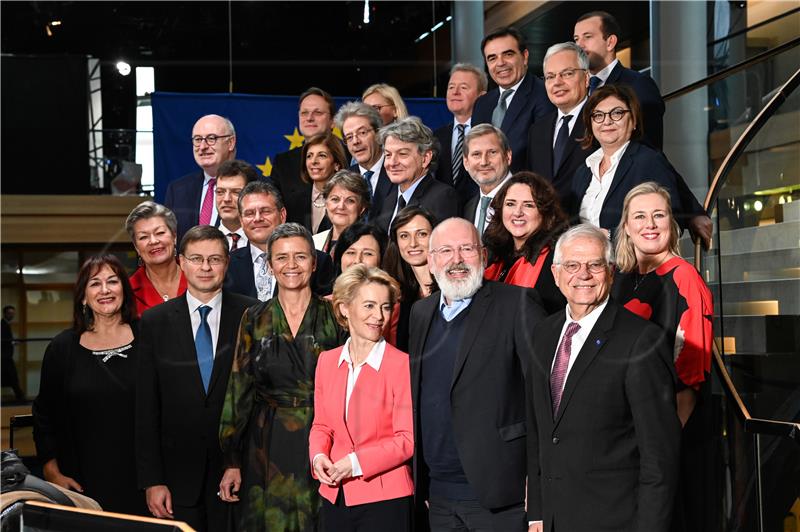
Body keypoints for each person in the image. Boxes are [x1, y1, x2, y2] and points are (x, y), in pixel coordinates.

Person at [525, 224, 680, 532]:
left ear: (610, 272)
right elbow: (539, 431)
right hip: (554, 520)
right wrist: (538, 514)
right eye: (572, 265)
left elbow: (660, 458)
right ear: (555, 274)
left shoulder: (641, 340)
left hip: (615, 521)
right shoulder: (542, 333)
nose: (582, 274)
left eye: (594, 265)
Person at [409, 217, 545, 531]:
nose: (456, 260)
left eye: (466, 249)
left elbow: (544, 398)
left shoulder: (518, 305)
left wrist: (538, 485)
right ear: (431, 262)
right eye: (445, 251)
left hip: (502, 495)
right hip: (439, 496)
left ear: (483, 256)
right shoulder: (420, 314)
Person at [218, 223, 345, 532]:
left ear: (314, 263)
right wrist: (231, 460)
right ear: (270, 265)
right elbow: (239, 388)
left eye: (300, 256)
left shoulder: (336, 316)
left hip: (323, 439)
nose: (291, 265)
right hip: (266, 442)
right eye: (282, 257)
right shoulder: (254, 318)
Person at [136, 225, 256, 532]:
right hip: (176, 480)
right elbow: (146, 407)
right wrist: (153, 479)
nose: (205, 267)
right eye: (197, 259)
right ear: (181, 261)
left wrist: (238, 461)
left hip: (238, 473)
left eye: (215, 259)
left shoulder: (252, 314)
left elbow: (256, 398)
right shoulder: (153, 322)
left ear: (227, 263)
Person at [611, 182, 714, 532]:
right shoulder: (623, 280)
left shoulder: (684, 277)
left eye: (659, 215)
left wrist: (660, 449)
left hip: (668, 442)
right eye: (640, 216)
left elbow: (691, 380)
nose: (650, 224)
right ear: (626, 225)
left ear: (671, 223)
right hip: (632, 439)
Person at [573, 10, 713, 248]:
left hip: (623, 224)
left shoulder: (638, 86)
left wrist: (690, 211)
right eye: (576, 40)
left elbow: (652, 156)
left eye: (587, 37)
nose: (579, 45)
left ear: (610, 41)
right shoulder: (577, 89)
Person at [33, 255, 146, 515]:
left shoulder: (149, 337)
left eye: (112, 281)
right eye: (95, 284)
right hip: (82, 483)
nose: (105, 290)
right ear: (83, 296)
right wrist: (51, 471)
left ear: (124, 290)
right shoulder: (62, 348)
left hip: (145, 482)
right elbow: (44, 414)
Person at [309, 265, 414, 531]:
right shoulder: (327, 361)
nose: (379, 316)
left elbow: (407, 440)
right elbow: (321, 425)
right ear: (344, 308)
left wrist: (354, 464)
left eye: (385, 307)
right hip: (334, 496)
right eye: (368, 306)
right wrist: (318, 457)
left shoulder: (402, 365)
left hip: (386, 500)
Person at [569, 84, 699, 236]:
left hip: (629, 259)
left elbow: (672, 223)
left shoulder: (649, 162)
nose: (607, 121)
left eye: (617, 113)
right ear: (590, 124)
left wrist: (611, 236)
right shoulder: (583, 171)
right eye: (598, 115)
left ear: (634, 120)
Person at [225, 181, 335, 300]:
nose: (257, 218)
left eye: (265, 211)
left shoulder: (319, 262)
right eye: (249, 213)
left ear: (282, 215)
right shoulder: (227, 265)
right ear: (241, 221)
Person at [483, 172, 568, 315]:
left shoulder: (557, 259)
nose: (517, 212)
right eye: (510, 204)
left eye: (528, 205)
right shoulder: (493, 254)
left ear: (544, 211)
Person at [471, 27, 553, 172]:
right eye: (492, 58)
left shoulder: (544, 94)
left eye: (508, 54)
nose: (500, 63)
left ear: (525, 56)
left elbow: (542, 159)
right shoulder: (482, 104)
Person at [526, 42, 594, 212]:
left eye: (567, 74)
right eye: (550, 76)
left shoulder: (600, 121)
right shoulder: (537, 130)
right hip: (547, 231)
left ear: (586, 78)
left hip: (587, 228)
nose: (557, 82)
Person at [373, 117, 459, 232]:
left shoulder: (442, 197)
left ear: (425, 158)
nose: (392, 163)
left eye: (402, 154)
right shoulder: (388, 198)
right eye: (388, 155)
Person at [165, 114, 237, 241]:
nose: (203, 147)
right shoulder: (177, 190)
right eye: (198, 140)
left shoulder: (254, 185)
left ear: (230, 143)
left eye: (211, 138)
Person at [382, 207, 438, 352]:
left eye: (422, 234)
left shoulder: (450, 290)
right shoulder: (401, 297)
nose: (413, 243)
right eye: (404, 236)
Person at [433, 63, 488, 208]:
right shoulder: (436, 136)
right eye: (451, 87)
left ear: (481, 96)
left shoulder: (491, 135)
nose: (455, 92)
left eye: (463, 87)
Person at [271, 87, 337, 206]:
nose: (309, 118)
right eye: (304, 113)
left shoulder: (350, 156)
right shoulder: (283, 163)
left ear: (332, 121)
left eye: (318, 113)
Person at [125, 201, 188, 316]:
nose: (153, 241)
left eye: (160, 233)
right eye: (143, 237)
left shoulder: (198, 276)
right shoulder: (127, 291)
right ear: (136, 247)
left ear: (174, 236)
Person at [336, 101, 395, 218]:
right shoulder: (343, 180)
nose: (355, 141)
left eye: (362, 133)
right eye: (349, 137)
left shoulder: (397, 171)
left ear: (378, 133)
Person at [284, 132, 348, 233]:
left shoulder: (348, 200)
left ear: (336, 164)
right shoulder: (294, 201)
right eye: (309, 156)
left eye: (322, 156)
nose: (313, 161)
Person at [461, 124, 513, 237]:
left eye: (492, 152)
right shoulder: (467, 207)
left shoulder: (528, 198)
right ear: (466, 162)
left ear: (508, 157)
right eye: (476, 154)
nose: (484, 162)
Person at [313, 170, 371, 255]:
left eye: (350, 201)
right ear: (326, 203)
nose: (341, 206)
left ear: (362, 208)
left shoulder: (370, 244)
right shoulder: (314, 242)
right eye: (335, 199)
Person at [215, 159, 261, 252]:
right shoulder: (203, 242)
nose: (226, 199)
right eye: (220, 192)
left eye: (236, 192)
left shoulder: (266, 242)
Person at [1, 305, 24, 401]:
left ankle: (20, 396)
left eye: (13, 314)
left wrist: (13, 342)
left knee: (12, 377)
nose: (12, 315)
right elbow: (4, 340)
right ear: (5, 314)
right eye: (10, 313)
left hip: (6, 356)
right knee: (12, 377)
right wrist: (13, 342)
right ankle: (20, 397)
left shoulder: (5, 324)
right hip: (4, 357)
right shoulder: (3, 325)